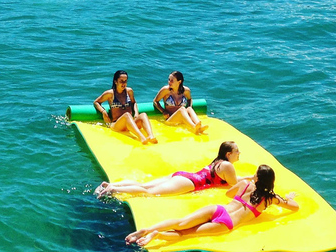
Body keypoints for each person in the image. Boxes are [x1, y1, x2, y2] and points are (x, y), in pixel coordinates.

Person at [125, 165, 299, 247]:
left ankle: (146, 230)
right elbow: (295, 207)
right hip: (227, 223)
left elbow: (229, 194)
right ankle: (157, 236)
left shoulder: (245, 183)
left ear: (257, 178)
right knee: (185, 234)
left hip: (219, 209)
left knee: (181, 222)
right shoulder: (270, 199)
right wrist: (287, 198)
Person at [95, 141, 243, 198]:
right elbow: (233, 184)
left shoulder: (218, 162)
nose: (239, 154)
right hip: (190, 183)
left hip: (184, 176)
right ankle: (113, 190)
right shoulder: (228, 166)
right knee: (149, 192)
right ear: (228, 154)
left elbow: (232, 180)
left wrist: (247, 178)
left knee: (145, 185)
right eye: (237, 151)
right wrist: (249, 181)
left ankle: (112, 185)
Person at [94, 70, 157, 145]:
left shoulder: (129, 91)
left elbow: (134, 103)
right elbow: (96, 102)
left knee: (143, 115)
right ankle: (142, 138)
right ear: (115, 81)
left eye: (125, 81)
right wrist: (103, 112)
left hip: (130, 123)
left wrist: (136, 113)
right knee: (127, 115)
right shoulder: (110, 94)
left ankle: (150, 136)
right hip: (116, 125)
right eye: (121, 81)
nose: (124, 84)